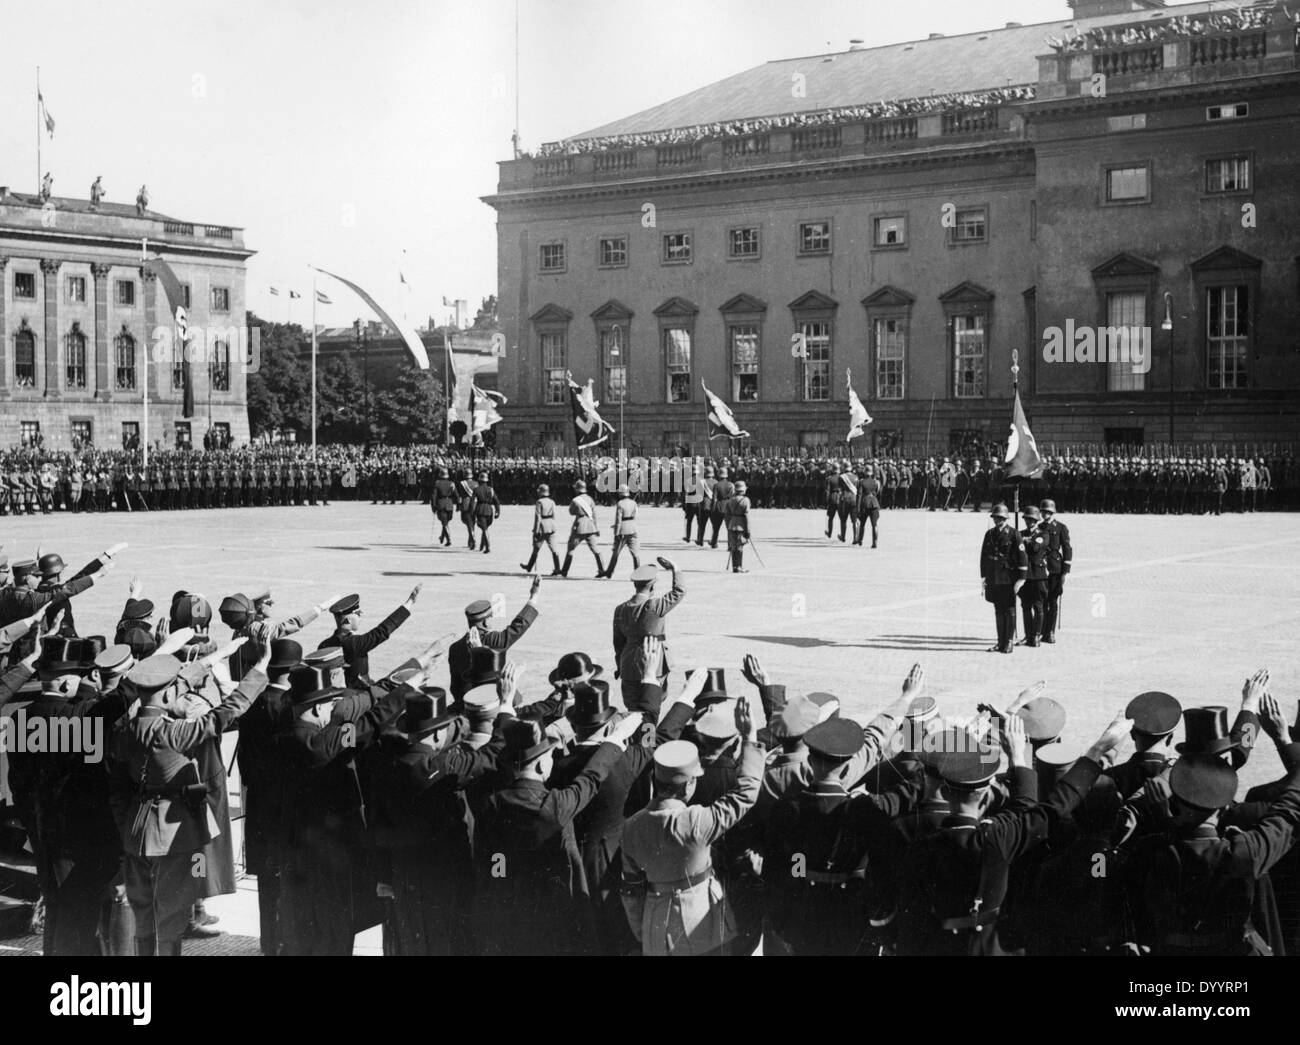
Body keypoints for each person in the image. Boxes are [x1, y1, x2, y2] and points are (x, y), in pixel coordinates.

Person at [108, 647, 271, 956]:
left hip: (136, 833)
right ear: (169, 695)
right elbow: (225, 713)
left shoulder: (124, 730)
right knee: (169, 919)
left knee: (145, 918)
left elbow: (118, 792)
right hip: (171, 837)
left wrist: (128, 826)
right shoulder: (171, 733)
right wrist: (259, 668)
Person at [471, 709, 644, 955]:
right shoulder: (553, 807)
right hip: (552, 916)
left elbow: (493, 861)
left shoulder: (489, 804)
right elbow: (591, 778)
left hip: (508, 909)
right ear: (542, 764)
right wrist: (616, 740)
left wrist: (504, 879)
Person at [619, 698, 762, 956]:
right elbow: (746, 794)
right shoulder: (695, 822)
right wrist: (750, 738)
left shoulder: (631, 827)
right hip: (704, 926)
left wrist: (643, 928)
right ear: (687, 786)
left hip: (656, 925)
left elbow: (631, 890)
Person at [446, 576, 541, 701]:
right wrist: (533, 597)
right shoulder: (493, 641)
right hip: (494, 701)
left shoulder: (454, 648)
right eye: (491, 617)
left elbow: (455, 687)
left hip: (467, 702)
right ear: (486, 622)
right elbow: (519, 626)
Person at [612, 558, 684, 712]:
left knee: (632, 707)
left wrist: (620, 665)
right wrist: (675, 569)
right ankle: (648, 733)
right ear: (652, 585)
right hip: (654, 661)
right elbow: (679, 591)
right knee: (652, 705)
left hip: (629, 663)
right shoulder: (655, 605)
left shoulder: (620, 609)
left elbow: (618, 643)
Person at [317, 586, 421, 688]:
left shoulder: (324, 645)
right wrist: (409, 603)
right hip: (359, 694)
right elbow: (381, 632)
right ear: (348, 620)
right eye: (357, 613)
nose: (361, 614)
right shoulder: (354, 644)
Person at [980, 503, 1026, 654]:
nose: (996, 520)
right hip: (993, 578)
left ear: (1005, 518)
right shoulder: (990, 534)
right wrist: (984, 576)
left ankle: (1009, 641)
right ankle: (1000, 642)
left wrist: (1021, 579)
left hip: (1008, 578)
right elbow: (984, 556)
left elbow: (1022, 558)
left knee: (1009, 610)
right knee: (998, 610)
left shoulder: (1014, 534)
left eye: (999, 517)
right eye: (995, 517)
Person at [1038, 499, 1072, 644]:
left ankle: (1050, 632)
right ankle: (1042, 630)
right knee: (1042, 600)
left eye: (1048, 512)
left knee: (1052, 600)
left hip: (1055, 567)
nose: (1045, 514)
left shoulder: (1060, 528)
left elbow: (1067, 549)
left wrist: (1065, 571)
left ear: (1052, 512)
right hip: (1041, 567)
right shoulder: (1038, 527)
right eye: (1043, 511)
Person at [1016, 505, 1049, 647]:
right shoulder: (1020, 533)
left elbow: (1034, 548)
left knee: (1038, 606)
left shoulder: (1043, 534)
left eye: (1032, 520)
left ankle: (1036, 635)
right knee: (1025, 606)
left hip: (1037, 575)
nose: (1029, 522)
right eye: (1027, 519)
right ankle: (1028, 634)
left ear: (1036, 520)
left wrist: (1023, 541)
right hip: (1024, 575)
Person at [561, 478, 605, 578]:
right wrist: (596, 528)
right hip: (590, 526)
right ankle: (602, 570)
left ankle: (564, 571)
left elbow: (571, 512)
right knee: (595, 549)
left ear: (577, 489)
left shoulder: (575, 501)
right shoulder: (590, 499)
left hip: (579, 526)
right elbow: (594, 515)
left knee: (571, 549)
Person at [520, 483, 561, 575]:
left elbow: (538, 517)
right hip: (551, 525)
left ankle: (529, 566)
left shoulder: (539, 502)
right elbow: (554, 515)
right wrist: (553, 525)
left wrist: (536, 530)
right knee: (554, 549)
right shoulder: (552, 502)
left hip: (542, 526)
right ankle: (557, 568)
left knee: (536, 547)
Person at [604, 484, 642, 578]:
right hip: (633, 528)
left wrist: (616, 532)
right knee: (635, 553)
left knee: (616, 553)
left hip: (623, 531)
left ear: (621, 494)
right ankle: (638, 573)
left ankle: (609, 572)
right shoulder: (634, 503)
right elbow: (635, 516)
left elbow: (618, 519)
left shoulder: (620, 503)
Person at [469, 471, 500, 554]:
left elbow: (472, 502)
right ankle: (482, 546)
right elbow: (496, 501)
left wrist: (471, 512)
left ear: (479, 480)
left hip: (480, 510)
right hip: (490, 510)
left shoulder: (476, 489)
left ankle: (488, 546)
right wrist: (498, 511)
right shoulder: (491, 489)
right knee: (485, 527)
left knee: (484, 528)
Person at [723, 480, 751, 573]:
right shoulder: (745, 500)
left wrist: (728, 526)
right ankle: (739, 566)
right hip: (741, 525)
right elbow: (746, 516)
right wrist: (748, 530)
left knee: (734, 546)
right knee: (739, 547)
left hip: (731, 525)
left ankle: (734, 566)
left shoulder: (730, 500)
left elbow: (726, 515)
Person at [853, 464, 882, 548]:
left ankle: (860, 540)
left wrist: (858, 508)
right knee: (874, 524)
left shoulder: (861, 482)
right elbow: (877, 493)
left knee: (862, 524)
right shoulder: (876, 482)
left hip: (865, 503)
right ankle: (875, 542)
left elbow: (859, 495)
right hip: (874, 503)